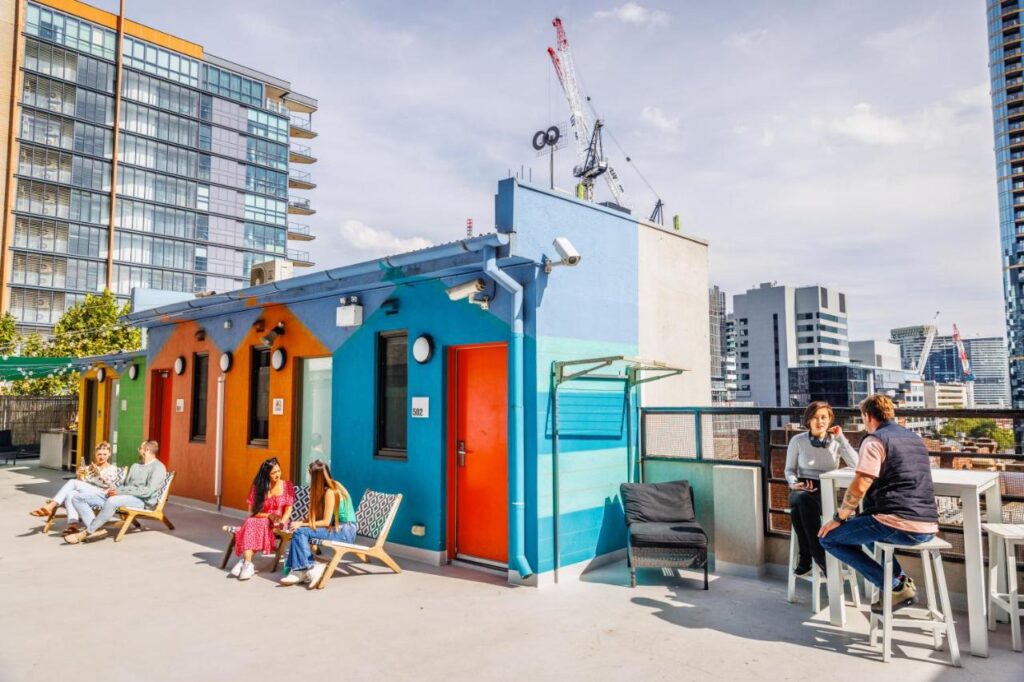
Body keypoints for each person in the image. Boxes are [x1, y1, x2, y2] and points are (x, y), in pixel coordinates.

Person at [819, 394, 938, 611]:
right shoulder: (915, 439)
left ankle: (893, 587)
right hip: (929, 525)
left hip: (898, 524)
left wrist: (839, 518)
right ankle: (900, 579)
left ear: (867, 416)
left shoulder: (875, 440)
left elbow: (861, 483)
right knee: (867, 530)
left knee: (829, 539)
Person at [785, 401, 859, 576]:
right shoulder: (798, 440)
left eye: (824, 417)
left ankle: (807, 557)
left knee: (798, 510)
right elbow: (789, 470)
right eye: (815, 417)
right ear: (808, 420)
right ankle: (821, 558)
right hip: (802, 487)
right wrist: (794, 483)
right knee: (801, 499)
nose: (820, 421)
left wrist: (841, 439)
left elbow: (856, 464)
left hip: (826, 489)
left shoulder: (836, 441)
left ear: (830, 419)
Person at [65, 441, 167, 544]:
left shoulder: (158, 467)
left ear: (146, 450)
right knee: (77, 498)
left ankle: (86, 532)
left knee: (112, 501)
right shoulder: (135, 466)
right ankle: (95, 530)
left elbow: (147, 491)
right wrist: (115, 490)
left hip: (141, 500)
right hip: (123, 497)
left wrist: (120, 492)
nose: (138, 450)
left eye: (140, 448)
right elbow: (125, 485)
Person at [280, 460, 357, 588]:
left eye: (310, 475)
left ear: (315, 477)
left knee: (300, 531)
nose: (309, 478)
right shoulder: (331, 486)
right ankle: (300, 570)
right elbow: (320, 516)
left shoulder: (330, 492)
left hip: (345, 531)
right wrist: (301, 522)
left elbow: (326, 521)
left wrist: (301, 525)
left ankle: (308, 568)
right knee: (299, 532)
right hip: (343, 528)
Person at [30, 441, 124, 535]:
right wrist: (79, 476)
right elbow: (82, 486)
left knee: (72, 482)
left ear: (109, 454)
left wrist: (98, 473)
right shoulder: (89, 468)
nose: (101, 456)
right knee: (71, 493)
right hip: (88, 495)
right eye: (99, 454)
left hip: (103, 495)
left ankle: (51, 505)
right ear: (95, 454)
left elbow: (112, 486)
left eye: (104, 454)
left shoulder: (113, 469)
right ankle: (73, 525)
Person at [229, 457, 295, 581]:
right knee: (253, 521)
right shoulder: (258, 487)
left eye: (279, 471)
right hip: (260, 520)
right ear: (266, 475)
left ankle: (245, 563)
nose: (278, 475)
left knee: (253, 524)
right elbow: (252, 512)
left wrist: (282, 521)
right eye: (273, 473)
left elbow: (288, 509)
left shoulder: (287, 486)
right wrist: (268, 515)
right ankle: (247, 564)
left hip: (279, 523)